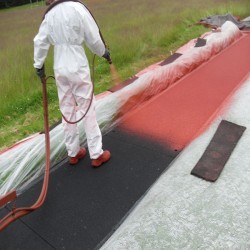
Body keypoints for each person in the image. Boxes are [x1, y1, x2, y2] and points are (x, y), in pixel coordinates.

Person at [33, 0, 111, 167]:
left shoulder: (49, 14)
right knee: (87, 106)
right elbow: (93, 36)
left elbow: (40, 42)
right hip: (77, 63)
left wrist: (38, 65)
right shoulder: (78, 8)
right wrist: (103, 52)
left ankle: (73, 152)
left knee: (67, 107)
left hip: (59, 65)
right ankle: (96, 153)